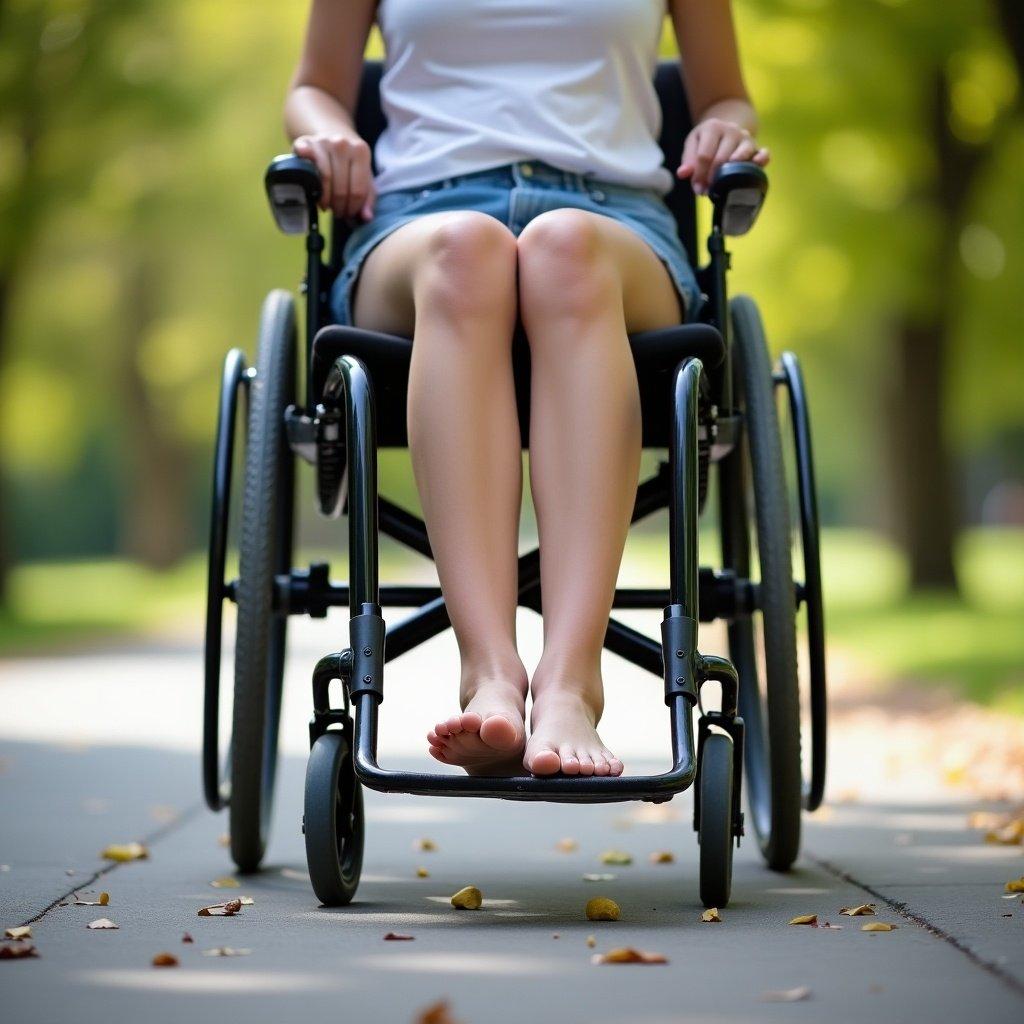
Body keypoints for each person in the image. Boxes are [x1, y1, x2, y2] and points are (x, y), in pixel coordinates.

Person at [284, 0, 769, 779]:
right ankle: (489, 672)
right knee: (468, 249)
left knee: (562, 246)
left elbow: (726, 95)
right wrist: (328, 131)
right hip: (419, 217)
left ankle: (573, 682)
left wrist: (725, 127)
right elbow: (314, 86)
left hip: (614, 218)